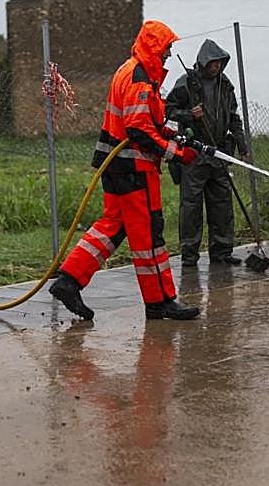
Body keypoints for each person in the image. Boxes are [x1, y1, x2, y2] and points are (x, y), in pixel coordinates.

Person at [48, 20, 202, 322]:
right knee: (149, 236)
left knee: (113, 226)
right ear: (155, 47)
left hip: (116, 167)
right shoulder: (139, 77)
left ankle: (69, 281)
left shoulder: (129, 70)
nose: (170, 53)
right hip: (134, 168)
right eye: (167, 47)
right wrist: (176, 154)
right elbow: (139, 130)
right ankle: (161, 302)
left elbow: (147, 122)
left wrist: (171, 134)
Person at [164, 38, 249, 267]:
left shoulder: (225, 85)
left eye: (220, 63)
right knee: (190, 207)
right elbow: (168, 110)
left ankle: (221, 252)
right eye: (214, 63)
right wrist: (190, 115)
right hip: (193, 154)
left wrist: (242, 146)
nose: (217, 67)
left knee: (222, 204)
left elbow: (233, 117)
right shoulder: (186, 83)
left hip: (219, 153)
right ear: (204, 62)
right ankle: (189, 256)